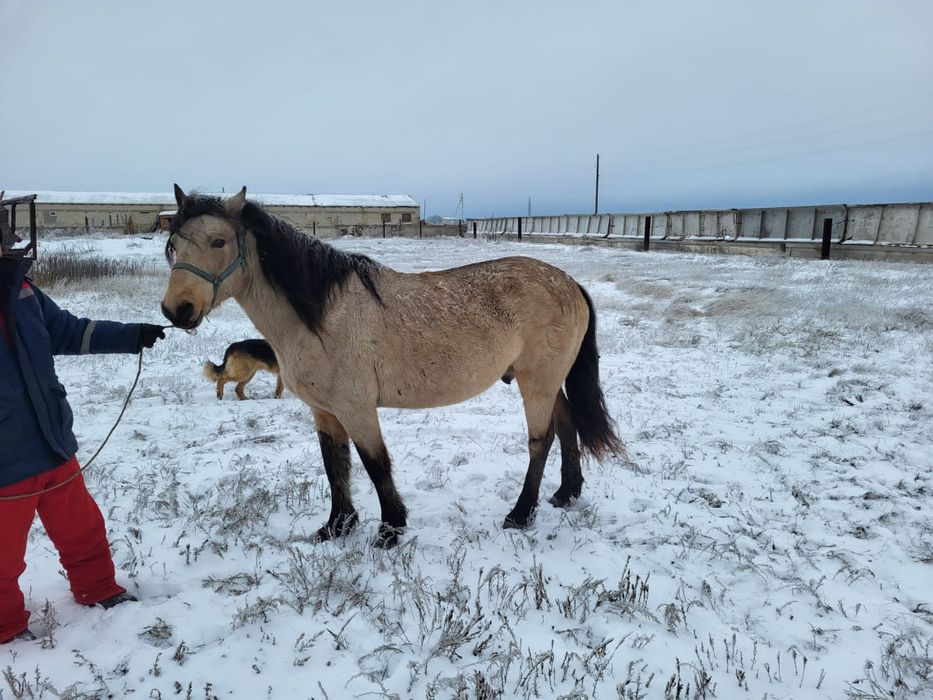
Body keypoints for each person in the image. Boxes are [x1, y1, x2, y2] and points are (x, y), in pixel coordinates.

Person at [0, 215, 165, 643]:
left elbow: (70, 331)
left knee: (82, 528)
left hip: (53, 443)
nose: (13, 241)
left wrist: (131, 335)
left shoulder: (22, 291)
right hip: (4, 464)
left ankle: (98, 588)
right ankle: (5, 627)